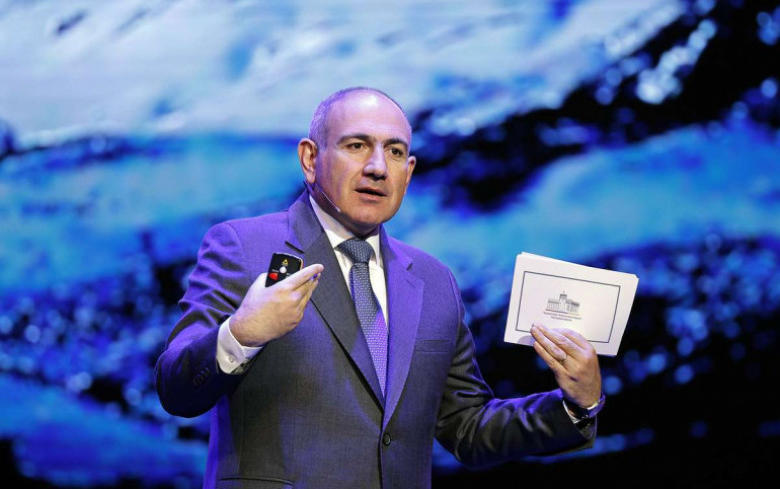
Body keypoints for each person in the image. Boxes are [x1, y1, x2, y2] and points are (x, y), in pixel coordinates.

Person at [155, 87, 604, 489]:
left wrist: (577, 405)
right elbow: (176, 389)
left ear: (408, 172)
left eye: (394, 152)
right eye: (356, 146)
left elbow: (466, 427)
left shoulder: (433, 280)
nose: (377, 168)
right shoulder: (242, 246)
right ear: (310, 159)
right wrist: (242, 334)